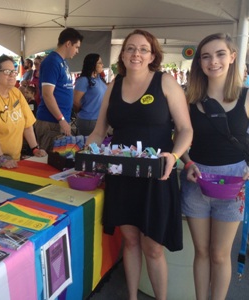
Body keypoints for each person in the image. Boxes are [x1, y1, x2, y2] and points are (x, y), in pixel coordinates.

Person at [85, 29, 193, 300]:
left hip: (157, 175)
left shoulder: (165, 82)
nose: (136, 53)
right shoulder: (114, 84)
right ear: (122, 54)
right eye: (130, 48)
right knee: (130, 241)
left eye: (143, 49)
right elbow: (99, 130)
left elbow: (185, 129)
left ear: (152, 55)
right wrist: (87, 152)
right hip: (122, 174)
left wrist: (175, 155)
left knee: (153, 247)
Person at [180, 33, 249, 300]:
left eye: (220, 54)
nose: (213, 61)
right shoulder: (190, 99)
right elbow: (181, 140)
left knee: (221, 255)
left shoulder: (244, 97)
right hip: (197, 179)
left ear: (232, 57)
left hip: (234, 181)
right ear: (199, 62)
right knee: (202, 252)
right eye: (206, 56)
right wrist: (187, 162)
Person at [35, 28, 83, 151]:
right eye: (76, 47)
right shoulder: (52, 61)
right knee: (50, 164)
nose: (77, 51)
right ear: (68, 44)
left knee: (59, 162)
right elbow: (47, 94)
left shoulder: (62, 62)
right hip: (51, 122)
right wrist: (61, 119)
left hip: (59, 121)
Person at [73, 53, 107, 136]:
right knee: (89, 146)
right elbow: (75, 101)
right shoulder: (83, 80)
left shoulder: (99, 79)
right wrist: (83, 110)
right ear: (92, 64)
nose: (102, 65)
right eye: (100, 63)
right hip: (89, 120)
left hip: (100, 119)